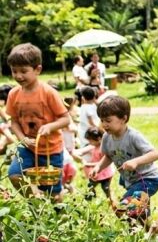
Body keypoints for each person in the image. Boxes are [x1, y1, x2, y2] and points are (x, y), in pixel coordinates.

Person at [6, 43, 71, 200]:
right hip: (28, 147)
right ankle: (35, 203)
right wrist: (22, 138)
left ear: (37, 70)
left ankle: (60, 218)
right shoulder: (14, 94)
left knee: (54, 193)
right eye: (14, 71)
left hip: (51, 149)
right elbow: (13, 121)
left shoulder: (48, 93)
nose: (18, 76)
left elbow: (66, 119)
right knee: (14, 174)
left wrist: (50, 126)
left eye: (23, 71)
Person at [90, 95, 158, 224]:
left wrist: (136, 161)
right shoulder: (107, 137)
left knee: (124, 208)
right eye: (102, 120)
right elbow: (108, 156)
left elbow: (155, 154)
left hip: (148, 178)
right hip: (130, 180)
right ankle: (149, 231)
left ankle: (134, 230)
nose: (104, 124)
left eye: (108, 120)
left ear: (123, 118)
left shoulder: (133, 136)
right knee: (140, 211)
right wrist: (98, 168)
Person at [72, 127, 115, 203]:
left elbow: (102, 162)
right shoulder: (94, 146)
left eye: (90, 140)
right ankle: (89, 200)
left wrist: (89, 164)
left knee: (106, 188)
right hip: (96, 174)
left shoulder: (102, 149)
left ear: (98, 139)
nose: (89, 142)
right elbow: (81, 152)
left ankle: (112, 202)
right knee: (90, 187)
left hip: (105, 174)